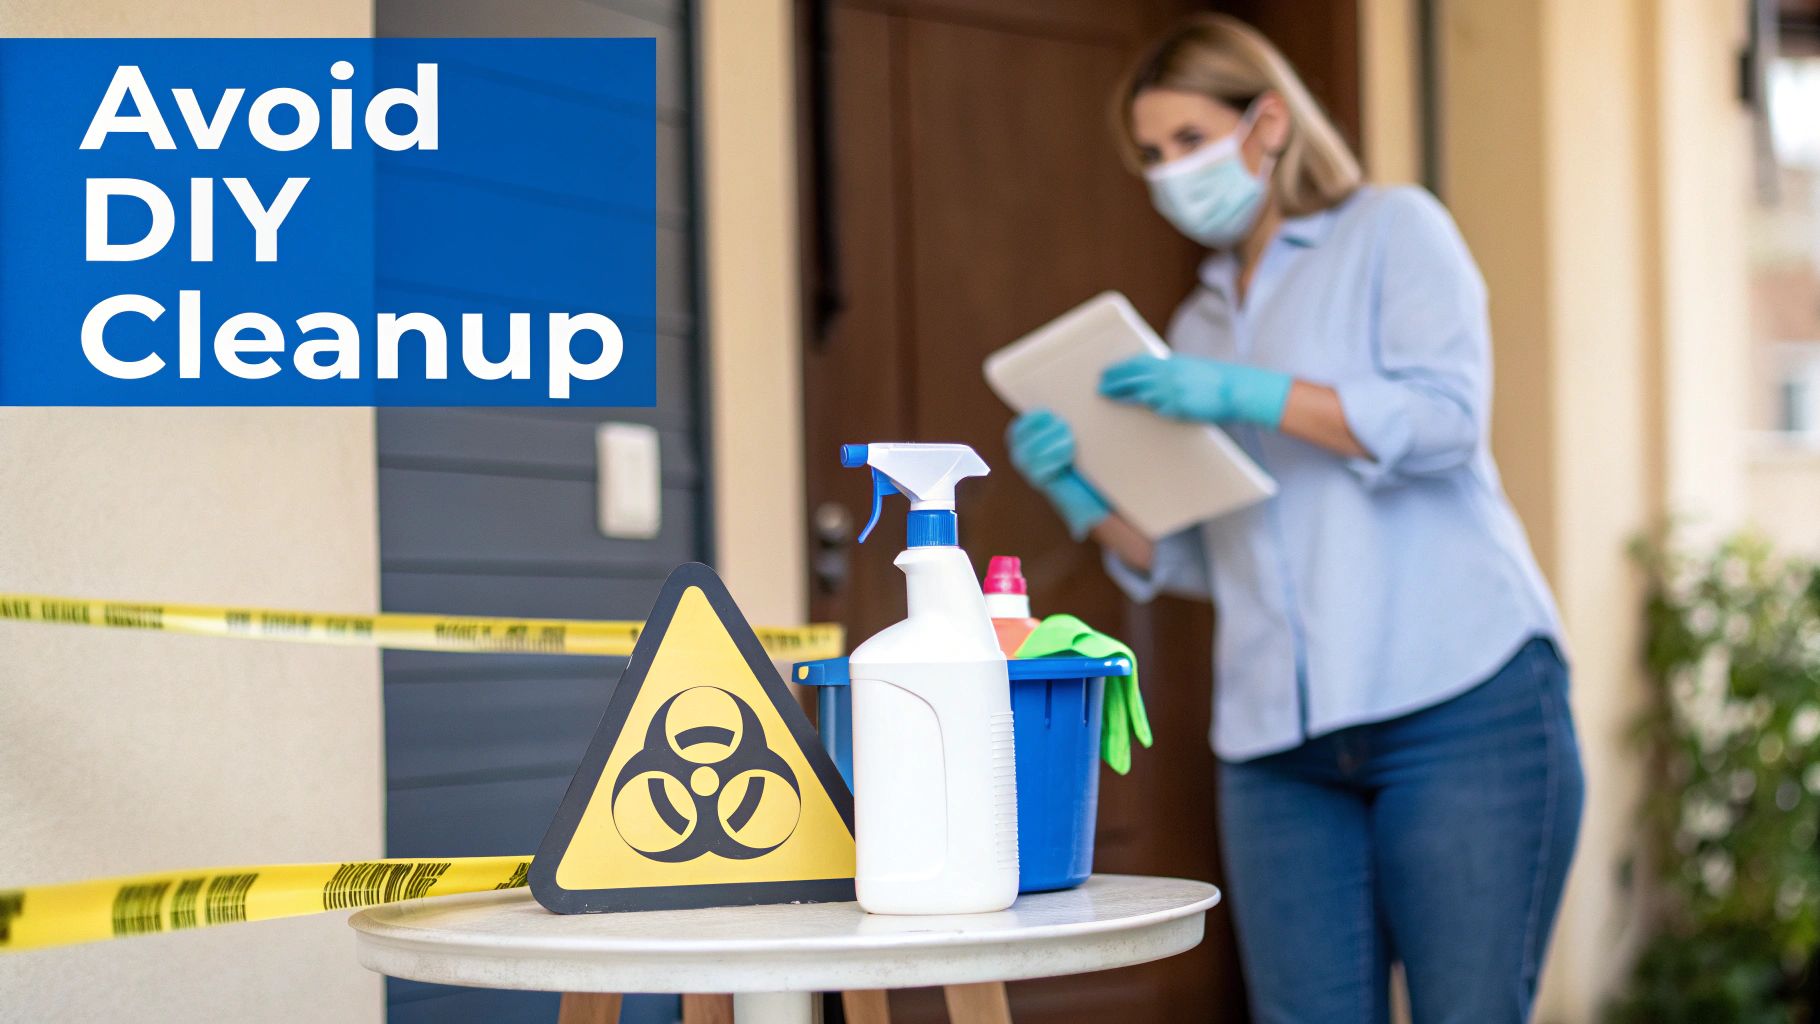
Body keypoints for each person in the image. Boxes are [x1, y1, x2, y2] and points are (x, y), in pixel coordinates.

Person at [1005, 15, 1583, 1024]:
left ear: (1266, 122)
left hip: (1459, 704)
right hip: (1278, 749)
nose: (1169, 173)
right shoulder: (1194, 321)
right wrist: (1082, 497)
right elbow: (1195, 554)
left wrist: (1249, 393)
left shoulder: (1390, 231)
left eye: (1189, 141)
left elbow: (1445, 420)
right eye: (1150, 155)